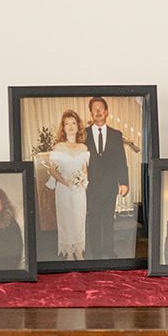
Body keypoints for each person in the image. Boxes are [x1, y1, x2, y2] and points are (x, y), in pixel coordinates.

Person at [83, 96, 130, 259]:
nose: (97, 111)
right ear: (90, 113)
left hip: (110, 184)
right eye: (94, 109)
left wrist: (124, 182)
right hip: (91, 185)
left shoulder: (116, 134)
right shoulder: (83, 134)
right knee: (94, 217)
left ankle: (109, 249)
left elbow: (121, 160)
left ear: (106, 112)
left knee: (108, 218)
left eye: (100, 108)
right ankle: (95, 250)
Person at [45, 110, 89, 260]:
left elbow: (84, 169)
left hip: (79, 190)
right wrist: (67, 183)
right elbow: (53, 170)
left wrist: (81, 181)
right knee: (66, 219)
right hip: (64, 188)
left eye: (73, 123)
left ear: (78, 126)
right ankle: (69, 252)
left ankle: (78, 250)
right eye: (67, 123)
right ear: (63, 127)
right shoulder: (59, 147)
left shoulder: (83, 147)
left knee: (79, 218)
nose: (70, 126)